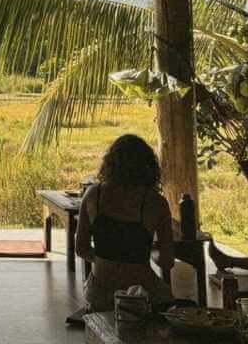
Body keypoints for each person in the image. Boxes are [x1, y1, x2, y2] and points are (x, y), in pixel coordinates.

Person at [75, 134, 177, 313]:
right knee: (172, 304)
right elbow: (167, 261)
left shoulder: (93, 195)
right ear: (148, 166)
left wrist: (105, 259)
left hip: (99, 293)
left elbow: (81, 248)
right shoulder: (156, 202)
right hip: (139, 293)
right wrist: (144, 253)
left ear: (110, 164)